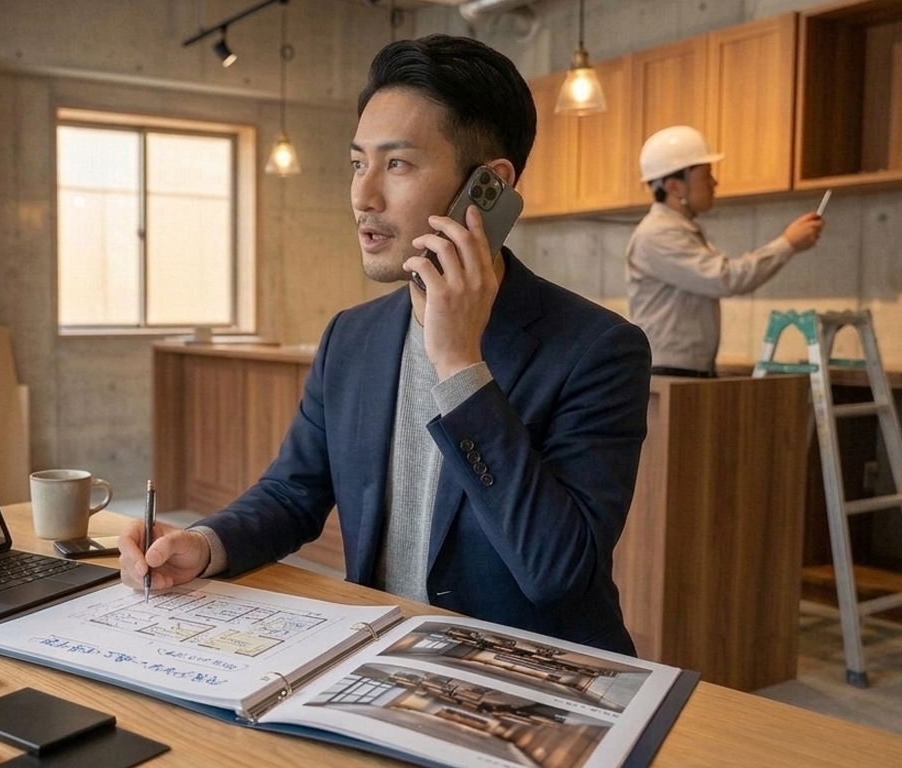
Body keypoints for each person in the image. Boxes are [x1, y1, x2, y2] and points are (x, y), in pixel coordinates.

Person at [119, 34, 651, 655]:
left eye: (396, 164)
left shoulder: (599, 349)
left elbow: (558, 575)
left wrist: (460, 366)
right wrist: (206, 545)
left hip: (528, 678)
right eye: (357, 163)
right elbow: (293, 492)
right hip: (382, 661)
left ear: (488, 187)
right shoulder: (353, 336)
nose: (363, 196)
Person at [627, 125, 825, 377]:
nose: (714, 182)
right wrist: (788, 244)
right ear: (674, 186)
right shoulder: (659, 234)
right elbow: (725, 278)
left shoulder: (675, 230)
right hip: (670, 374)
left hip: (680, 371)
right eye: (706, 174)